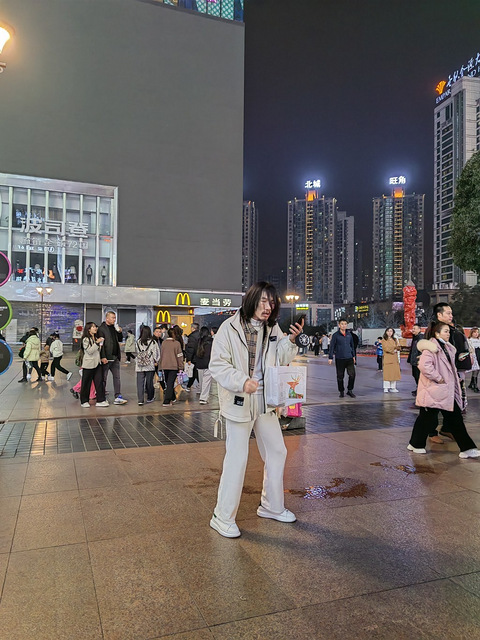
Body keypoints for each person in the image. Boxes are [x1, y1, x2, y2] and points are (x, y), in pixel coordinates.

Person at [208, 281, 302, 538]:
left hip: (265, 401)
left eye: (271, 302)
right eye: (263, 301)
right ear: (251, 300)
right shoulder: (230, 328)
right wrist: (242, 382)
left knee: (277, 451)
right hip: (240, 399)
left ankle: (272, 506)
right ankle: (222, 516)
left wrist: (290, 340)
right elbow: (217, 365)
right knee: (237, 459)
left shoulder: (272, 327)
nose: (267, 307)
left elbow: (281, 357)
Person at [407, 321, 479, 458]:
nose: (448, 334)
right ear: (437, 333)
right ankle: (416, 444)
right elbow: (424, 366)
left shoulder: (447, 347)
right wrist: (439, 378)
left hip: (444, 390)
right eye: (445, 331)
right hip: (435, 389)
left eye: (448, 331)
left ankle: (416, 443)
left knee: (450, 419)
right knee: (428, 419)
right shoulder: (431, 347)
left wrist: (455, 378)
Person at [97, 311, 128, 404]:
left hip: (115, 357)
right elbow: (101, 344)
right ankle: (102, 397)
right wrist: (103, 356)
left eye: (115, 318)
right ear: (107, 318)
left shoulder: (114, 328)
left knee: (117, 377)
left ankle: (118, 396)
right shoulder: (101, 329)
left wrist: (119, 332)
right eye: (112, 318)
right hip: (106, 357)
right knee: (103, 378)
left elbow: (119, 339)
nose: (114, 320)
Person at [80, 322, 109, 408]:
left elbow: (98, 351)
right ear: (89, 329)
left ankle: (100, 400)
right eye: (93, 327)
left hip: (97, 363)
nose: (95, 328)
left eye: (95, 326)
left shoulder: (96, 338)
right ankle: (84, 401)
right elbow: (89, 351)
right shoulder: (85, 339)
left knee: (99, 382)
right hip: (88, 364)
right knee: (86, 383)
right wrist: (97, 343)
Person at [328, 319, 356, 398]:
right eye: (342, 324)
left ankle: (350, 390)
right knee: (340, 376)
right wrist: (330, 357)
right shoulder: (335, 335)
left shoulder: (349, 334)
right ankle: (341, 391)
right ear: (339, 325)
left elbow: (352, 346)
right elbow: (332, 346)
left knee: (352, 375)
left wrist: (354, 356)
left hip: (349, 358)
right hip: (340, 358)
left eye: (345, 324)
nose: (344, 325)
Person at [159, 328, 184, 406]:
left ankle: (173, 397)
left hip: (164, 365)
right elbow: (179, 356)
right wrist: (181, 367)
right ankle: (166, 401)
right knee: (170, 383)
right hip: (173, 366)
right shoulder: (177, 343)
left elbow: (161, 355)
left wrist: (160, 366)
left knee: (168, 382)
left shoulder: (164, 343)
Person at [135, 326, 160, 405]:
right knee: (149, 382)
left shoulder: (138, 342)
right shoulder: (153, 342)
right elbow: (156, 354)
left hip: (140, 365)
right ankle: (150, 397)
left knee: (140, 383)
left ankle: (140, 400)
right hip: (150, 365)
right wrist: (156, 361)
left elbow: (137, 352)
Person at [195, 326, 213, 404]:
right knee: (206, 381)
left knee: (201, 381)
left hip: (199, 364)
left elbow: (194, 351)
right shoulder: (211, 341)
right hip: (208, 363)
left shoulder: (198, 341)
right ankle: (203, 398)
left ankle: (202, 395)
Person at [381, 328, 401, 393]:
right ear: (386, 332)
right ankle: (386, 387)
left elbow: (398, 347)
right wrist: (393, 349)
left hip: (394, 359)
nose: (390, 332)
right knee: (387, 374)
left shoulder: (395, 339)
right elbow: (386, 348)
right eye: (388, 331)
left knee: (394, 373)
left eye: (391, 331)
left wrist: (397, 347)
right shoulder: (384, 340)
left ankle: (393, 387)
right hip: (387, 358)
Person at [407, 324, 423, 392]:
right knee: (415, 375)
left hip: (418, 360)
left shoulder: (421, 338)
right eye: (413, 328)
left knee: (418, 375)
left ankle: (420, 390)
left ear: (419, 330)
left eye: (414, 328)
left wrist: (420, 358)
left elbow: (422, 349)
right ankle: (418, 388)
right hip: (414, 360)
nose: (413, 330)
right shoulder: (415, 337)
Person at [185, 323, 200, 391]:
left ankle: (189, 386)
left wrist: (189, 359)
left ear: (192, 328)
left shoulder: (192, 337)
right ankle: (190, 385)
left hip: (194, 357)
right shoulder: (201, 335)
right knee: (196, 373)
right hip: (199, 357)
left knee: (193, 373)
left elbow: (191, 349)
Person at [467, 327, 480, 393]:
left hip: (479, 356)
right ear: (471, 333)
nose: (476, 333)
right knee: (475, 370)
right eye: (475, 332)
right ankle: (475, 385)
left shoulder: (479, 340)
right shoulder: (469, 340)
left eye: (477, 332)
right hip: (474, 356)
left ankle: (471, 384)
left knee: (477, 371)